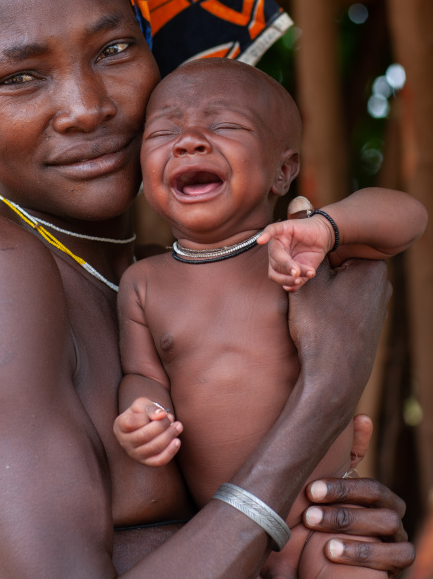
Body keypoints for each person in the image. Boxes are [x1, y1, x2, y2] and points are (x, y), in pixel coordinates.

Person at [0, 0, 414, 578]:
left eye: (115, 49)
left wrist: (324, 536)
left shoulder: (154, 276)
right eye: (18, 79)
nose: (86, 107)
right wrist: (324, 392)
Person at [114, 59, 427, 577]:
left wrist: (329, 227)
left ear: (283, 170)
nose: (189, 141)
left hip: (322, 526)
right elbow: (143, 373)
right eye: (164, 130)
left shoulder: (300, 251)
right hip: (219, 533)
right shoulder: (143, 282)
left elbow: (409, 219)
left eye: (224, 125)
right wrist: (140, 414)